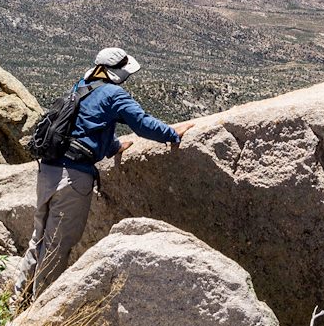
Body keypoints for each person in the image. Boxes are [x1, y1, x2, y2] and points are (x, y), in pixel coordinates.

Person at [12, 46, 194, 306]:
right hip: (73, 178)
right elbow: (141, 124)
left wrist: (113, 146)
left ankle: (16, 304)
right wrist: (172, 133)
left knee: (38, 239)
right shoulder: (114, 94)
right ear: (119, 72)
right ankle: (39, 313)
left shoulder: (81, 86)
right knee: (56, 246)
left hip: (48, 171)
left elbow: (83, 125)